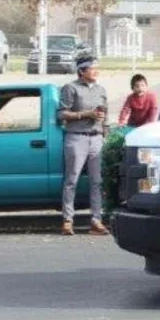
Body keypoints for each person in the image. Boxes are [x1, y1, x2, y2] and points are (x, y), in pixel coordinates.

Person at [57, 56, 109, 236]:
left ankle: (96, 220)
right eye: (92, 68)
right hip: (76, 137)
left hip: (96, 138)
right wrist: (86, 114)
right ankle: (67, 220)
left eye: (97, 68)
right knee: (72, 180)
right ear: (82, 71)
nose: (96, 71)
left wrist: (104, 131)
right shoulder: (71, 88)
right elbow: (62, 114)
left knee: (97, 182)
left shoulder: (101, 90)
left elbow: (105, 115)